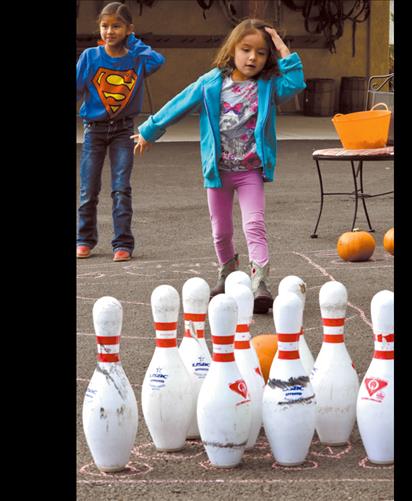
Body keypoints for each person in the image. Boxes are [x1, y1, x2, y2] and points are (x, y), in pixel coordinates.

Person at [132, 19, 305, 313]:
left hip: (250, 170)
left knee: (255, 224)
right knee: (221, 231)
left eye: (261, 53)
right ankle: (227, 271)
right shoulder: (211, 83)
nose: (253, 58)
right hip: (219, 171)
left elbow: (295, 83)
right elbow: (179, 103)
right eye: (246, 50)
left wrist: (280, 44)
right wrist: (149, 131)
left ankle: (259, 281)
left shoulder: (267, 86)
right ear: (232, 50)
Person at [76, 2, 165, 262]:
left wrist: (134, 42)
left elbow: (158, 61)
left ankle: (122, 243)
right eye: (105, 26)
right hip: (94, 129)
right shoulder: (91, 57)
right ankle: (84, 239)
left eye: (116, 26)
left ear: (129, 29)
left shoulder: (137, 59)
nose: (109, 31)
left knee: (121, 188)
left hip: (123, 131)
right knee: (88, 188)